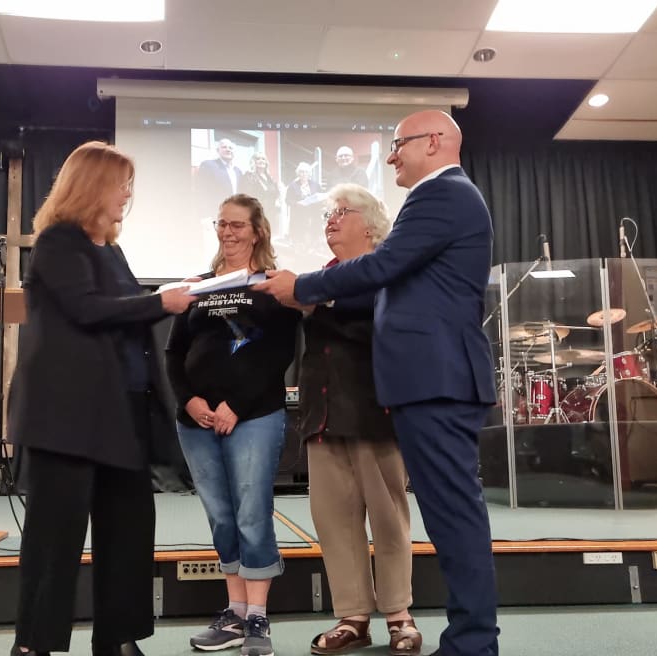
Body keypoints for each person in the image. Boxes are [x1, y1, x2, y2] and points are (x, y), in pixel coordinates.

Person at [256, 110, 500, 656]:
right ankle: (470, 640)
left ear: (435, 141)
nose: (391, 156)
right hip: (427, 380)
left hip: (436, 379)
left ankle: (473, 644)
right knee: (450, 516)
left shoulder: (443, 194)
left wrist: (305, 286)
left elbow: (382, 265)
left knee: (455, 518)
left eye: (399, 145)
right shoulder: (443, 198)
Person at [7, 141, 194, 656]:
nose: (127, 194)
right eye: (120, 183)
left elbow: (121, 307)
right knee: (54, 537)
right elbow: (89, 310)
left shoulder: (109, 247)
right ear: (92, 186)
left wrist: (169, 294)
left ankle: (118, 637)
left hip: (121, 412)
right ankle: (34, 644)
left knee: (129, 531)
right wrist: (162, 301)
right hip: (67, 418)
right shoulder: (58, 241)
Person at [165, 194, 300, 656]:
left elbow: (280, 354)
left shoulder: (273, 286)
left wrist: (235, 405)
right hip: (196, 421)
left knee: (250, 513)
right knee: (221, 515)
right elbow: (173, 354)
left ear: (257, 230)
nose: (228, 232)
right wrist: (191, 400)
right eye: (221, 223)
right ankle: (235, 615)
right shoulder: (198, 286)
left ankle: (259, 618)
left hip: (254, 417)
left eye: (237, 225)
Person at [300, 183, 420, 656]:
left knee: (389, 518)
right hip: (324, 413)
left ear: (370, 225)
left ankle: (399, 615)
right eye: (327, 214)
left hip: (376, 410)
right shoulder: (320, 279)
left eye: (341, 212)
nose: (330, 220)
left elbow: (376, 321)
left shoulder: (387, 272)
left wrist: (320, 302)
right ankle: (352, 617)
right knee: (333, 521)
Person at [195, 138, 243, 216]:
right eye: (224, 147)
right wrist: (204, 217)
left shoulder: (238, 171)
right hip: (215, 214)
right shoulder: (208, 165)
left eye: (230, 148)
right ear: (218, 150)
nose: (228, 150)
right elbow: (201, 192)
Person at [284, 162, 322, 250]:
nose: (304, 174)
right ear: (298, 173)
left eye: (306, 172)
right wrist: (296, 204)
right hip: (299, 215)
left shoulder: (315, 185)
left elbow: (320, 196)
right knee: (300, 235)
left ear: (309, 173)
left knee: (312, 233)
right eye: (301, 172)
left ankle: (312, 249)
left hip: (313, 214)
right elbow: (287, 200)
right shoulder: (292, 186)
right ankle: (300, 250)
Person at [240, 152, 281, 234]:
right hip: (256, 212)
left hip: (271, 212)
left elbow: (276, 192)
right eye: (258, 159)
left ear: (266, 162)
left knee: (268, 235)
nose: (261, 161)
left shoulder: (269, 178)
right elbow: (246, 195)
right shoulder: (249, 176)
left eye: (263, 159)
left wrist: (277, 200)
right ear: (254, 162)